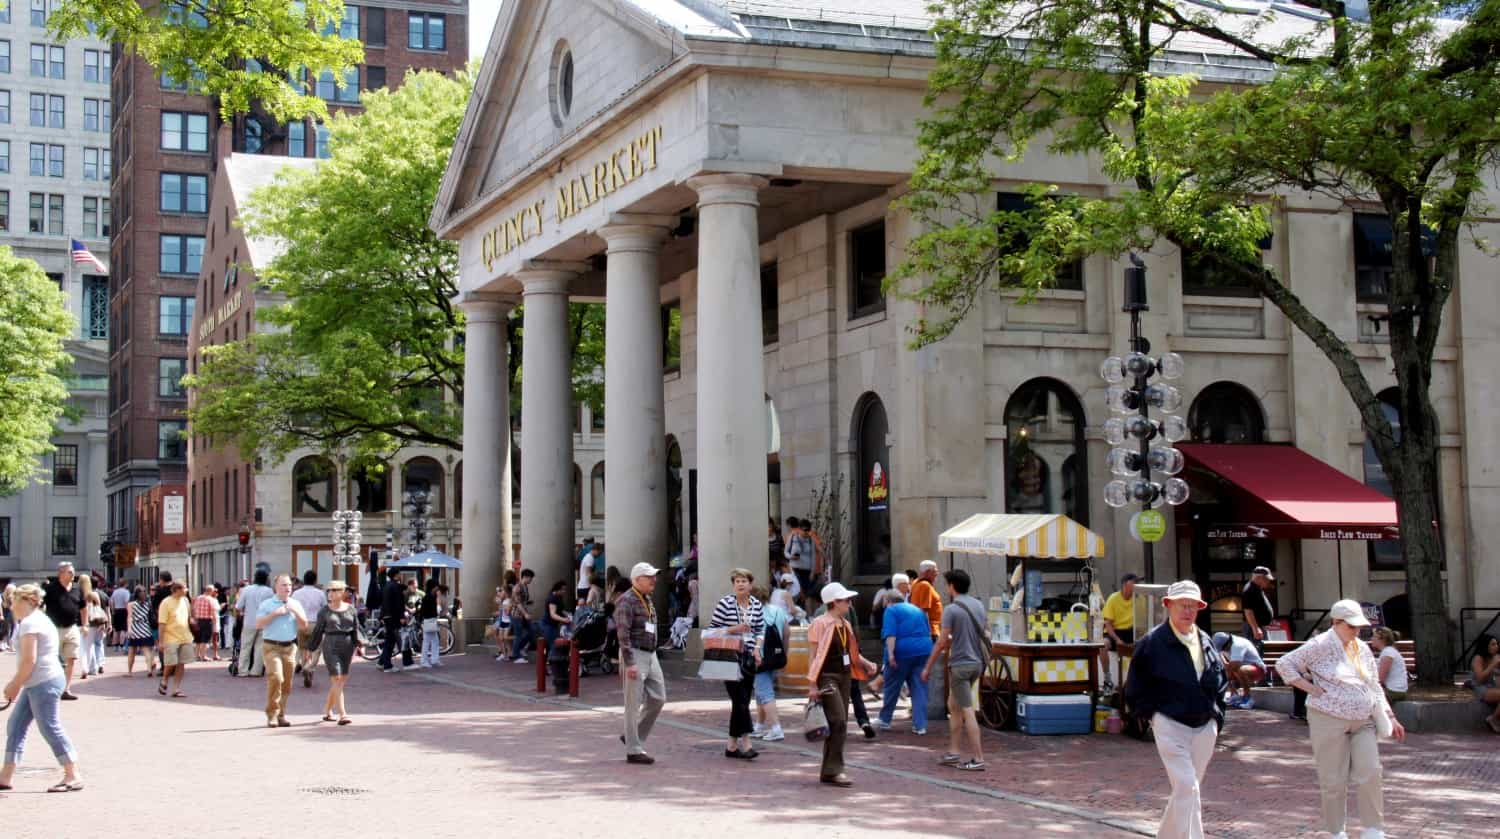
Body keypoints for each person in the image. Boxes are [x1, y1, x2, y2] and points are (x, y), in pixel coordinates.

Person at [1276, 599, 1406, 839]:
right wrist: (1310, 688)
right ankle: (1337, 832)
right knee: (1333, 779)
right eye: (1351, 626)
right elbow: (1285, 664)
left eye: (1359, 627)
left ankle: (1373, 830)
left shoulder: (1362, 647)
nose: (1357, 631)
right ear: (1336, 623)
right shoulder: (1319, 643)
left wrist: (1389, 715)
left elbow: (1374, 683)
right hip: (1328, 718)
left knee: (1371, 772)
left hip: (1363, 718)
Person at [1124, 580, 1228, 839]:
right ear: (1168, 605)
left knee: (1188, 790)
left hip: (1204, 725)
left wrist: (1217, 716)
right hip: (1170, 722)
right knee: (1186, 786)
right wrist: (1151, 715)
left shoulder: (1205, 640)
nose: (1188, 611)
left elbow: (1220, 679)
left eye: (1193, 606)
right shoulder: (1152, 642)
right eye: (1183, 605)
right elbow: (1135, 685)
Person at [0, 584, 83, 793]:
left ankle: (72, 774)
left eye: (13, 602)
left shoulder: (30, 623)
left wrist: (14, 685)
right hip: (39, 680)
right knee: (16, 725)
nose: (11, 607)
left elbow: (29, 660)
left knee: (49, 726)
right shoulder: (38, 620)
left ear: (25, 601)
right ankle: (6, 776)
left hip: (42, 681)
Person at [806, 582, 871, 788]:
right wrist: (812, 685)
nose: (849, 604)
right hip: (827, 677)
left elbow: (851, 652)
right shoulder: (820, 623)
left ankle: (830, 770)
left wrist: (866, 663)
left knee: (838, 724)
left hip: (844, 676)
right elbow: (814, 655)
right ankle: (835, 770)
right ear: (834, 602)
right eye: (846, 600)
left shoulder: (845, 624)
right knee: (838, 721)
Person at [921, 569, 987, 771]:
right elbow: (985, 632)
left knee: (966, 709)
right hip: (977, 662)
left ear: (952, 586)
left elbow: (941, 642)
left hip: (960, 665)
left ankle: (978, 758)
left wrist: (928, 667)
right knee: (954, 705)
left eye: (947, 585)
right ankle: (954, 752)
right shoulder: (978, 605)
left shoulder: (951, 610)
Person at [709, 569, 765, 760]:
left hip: (748, 657)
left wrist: (757, 649)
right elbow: (712, 631)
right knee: (740, 700)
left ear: (750, 584)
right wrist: (735, 628)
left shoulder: (757, 605)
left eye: (744, 581)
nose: (740, 584)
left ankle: (731, 746)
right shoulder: (725, 604)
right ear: (733, 585)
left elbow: (760, 630)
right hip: (728, 656)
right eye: (737, 581)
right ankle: (747, 743)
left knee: (741, 701)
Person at [618, 562, 665, 765]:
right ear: (637, 580)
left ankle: (632, 734)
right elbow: (622, 633)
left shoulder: (646, 598)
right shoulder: (626, 600)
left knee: (658, 698)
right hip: (635, 654)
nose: (654, 579)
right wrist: (630, 663)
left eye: (654, 575)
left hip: (650, 653)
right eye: (649, 576)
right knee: (633, 703)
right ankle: (633, 749)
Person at [307, 580, 367, 725]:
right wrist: (310, 649)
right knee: (337, 678)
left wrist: (361, 644)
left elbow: (356, 628)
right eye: (329, 590)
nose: (330, 593)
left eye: (334, 590)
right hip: (330, 645)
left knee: (340, 681)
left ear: (342, 592)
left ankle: (327, 711)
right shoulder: (324, 611)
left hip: (347, 646)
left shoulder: (351, 609)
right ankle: (343, 714)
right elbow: (317, 631)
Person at [879, 574, 932, 734]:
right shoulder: (917, 610)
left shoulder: (891, 611)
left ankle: (885, 720)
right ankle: (920, 725)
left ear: (888, 602)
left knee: (892, 686)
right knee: (919, 688)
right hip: (923, 650)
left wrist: (891, 655)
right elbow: (927, 631)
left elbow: (890, 635)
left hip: (902, 652)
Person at [256, 574, 309, 727]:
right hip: (271, 646)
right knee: (276, 678)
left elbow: (304, 625)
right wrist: (275, 614)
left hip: (290, 647)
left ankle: (281, 714)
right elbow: (259, 624)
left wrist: (296, 612)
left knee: (286, 684)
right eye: (284, 585)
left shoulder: (295, 603)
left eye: (289, 585)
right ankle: (271, 714)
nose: (287, 588)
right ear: (276, 587)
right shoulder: (267, 604)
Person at [41, 562, 86, 700]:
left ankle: (65, 689)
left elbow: (83, 608)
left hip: (72, 627)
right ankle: (51, 687)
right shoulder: (50, 589)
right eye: (70, 572)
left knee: (71, 659)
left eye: (73, 572)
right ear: (60, 573)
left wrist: (85, 624)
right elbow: (40, 605)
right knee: (53, 660)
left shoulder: (78, 590)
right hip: (54, 628)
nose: (73, 574)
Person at [750, 584, 788, 742]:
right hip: (775, 657)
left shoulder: (752, 614)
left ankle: (776, 728)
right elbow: (787, 633)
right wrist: (784, 654)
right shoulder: (777, 610)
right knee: (761, 693)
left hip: (759, 659)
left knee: (765, 694)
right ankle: (759, 726)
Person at [156, 581, 194, 698]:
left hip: (185, 636)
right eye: (184, 588)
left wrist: (192, 622)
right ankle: (164, 680)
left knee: (181, 663)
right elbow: (162, 623)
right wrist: (161, 641)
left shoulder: (185, 601)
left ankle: (176, 688)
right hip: (171, 637)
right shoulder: (166, 603)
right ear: (177, 590)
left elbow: (188, 616)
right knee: (171, 662)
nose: (186, 590)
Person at [1100, 573, 1139, 685]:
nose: (1132, 590)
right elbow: (1108, 625)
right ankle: (1107, 678)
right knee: (1103, 645)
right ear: (1124, 586)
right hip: (1115, 631)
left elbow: (1143, 620)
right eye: (1131, 587)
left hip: (1132, 631)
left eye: (1135, 587)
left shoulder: (1139, 598)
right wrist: (1117, 640)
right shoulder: (1113, 599)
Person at [1211, 632, 1266, 709]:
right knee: (1224, 670)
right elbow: (1221, 657)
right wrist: (1223, 666)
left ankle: (1247, 698)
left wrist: (1223, 675)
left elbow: (1235, 665)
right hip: (1238, 669)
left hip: (1257, 670)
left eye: (1224, 648)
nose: (1224, 650)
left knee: (1239, 670)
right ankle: (1235, 695)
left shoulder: (1238, 644)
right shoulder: (1225, 644)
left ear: (1228, 643)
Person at [235, 570, 274, 677]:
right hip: (264, 622)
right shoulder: (269, 591)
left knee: (245, 646)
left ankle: (243, 670)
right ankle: (256, 670)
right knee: (260, 647)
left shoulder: (247, 590)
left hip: (249, 621)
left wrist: (240, 616)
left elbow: (238, 606)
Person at [292, 569, 326, 687]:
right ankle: (309, 668)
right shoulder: (320, 593)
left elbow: (292, 608)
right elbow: (324, 609)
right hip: (315, 623)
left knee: (302, 648)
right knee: (316, 649)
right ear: (315, 580)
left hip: (301, 623)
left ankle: (304, 665)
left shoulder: (296, 593)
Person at [379, 568, 411, 673]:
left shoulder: (387, 586)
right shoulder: (395, 587)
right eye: (399, 574)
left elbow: (384, 603)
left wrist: (382, 616)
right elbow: (398, 604)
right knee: (396, 640)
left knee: (390, 640)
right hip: (394, 617)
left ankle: (382, 662)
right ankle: (389, 665)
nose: (401, 575)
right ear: (396, 575)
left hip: (387, 616)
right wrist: (401, 617)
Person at [1468, 633, 1500, 733]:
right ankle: (1493, 719)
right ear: (1485, 646)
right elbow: (1480, 679)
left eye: (1497, 644)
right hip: (1481, 688)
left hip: (1493, 687)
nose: (1496, 647)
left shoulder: (1495, 657)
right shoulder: (1478, 658)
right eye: (1493, 644)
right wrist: (1493, 664)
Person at [1369, 628, 1407, 704]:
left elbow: (1380, 679)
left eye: (1374, 636)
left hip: (1394, 692)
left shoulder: (1388, 653)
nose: (1371, 638)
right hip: (1394, 691)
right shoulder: (1388, 651)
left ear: (1382, 639)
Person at [124, 586, 155, 676]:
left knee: (131, 652)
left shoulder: (131, 605)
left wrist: (129, 628)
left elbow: (129, 617)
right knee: (146, 651)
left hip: (135, 629)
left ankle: (130, 672)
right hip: (145, 628)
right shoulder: (148, 604)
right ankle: (149, 669)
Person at [910, 560, 944, 639]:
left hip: (921, 628)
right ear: (928, 572)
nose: (937, 574)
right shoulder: (925, 585)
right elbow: (924, 610)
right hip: (930, 630)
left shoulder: (915, 582)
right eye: (935, 571)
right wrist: (927, 633)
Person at [508, 569, 537, 664]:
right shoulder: (517, 587)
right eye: (531, 578)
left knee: (532, 630)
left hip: (523, 614)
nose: (531, 580)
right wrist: (525, 614)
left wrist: (528, 602)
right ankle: (515, 655)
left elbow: (523, 601)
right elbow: (518, 603)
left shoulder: (525, 587)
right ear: (526, 577)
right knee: (518, 634)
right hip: (517, 615)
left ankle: (518, 649)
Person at [1241, 566, 1276, 642]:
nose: (1268, 581)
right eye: (1266, 579)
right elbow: (1248, 611)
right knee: (1257, 651)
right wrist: (1255, 628)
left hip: (1259, 626)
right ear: (1259, 578)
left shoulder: (1257, 588)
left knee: (1265, 650)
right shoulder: (1249, 589)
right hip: (1253, 628)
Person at [783, 516, 814, 597]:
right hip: (795, 568)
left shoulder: (810, 540)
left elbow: (813, 556)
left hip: (807, 570)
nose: (806, 532)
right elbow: (785, 552)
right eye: (805, 530)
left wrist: (812, 571)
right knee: (798, 590)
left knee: (806, 591)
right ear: (800, 529)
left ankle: (802, 607)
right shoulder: (793, 537)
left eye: (808, 530)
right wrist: (791, 557)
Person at [81, 591, 109, 678]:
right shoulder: (97, 595)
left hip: (88, 625)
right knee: (98, 644)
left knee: (87, 647)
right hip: (96, 624)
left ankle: (91, 667)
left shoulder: (84, 596)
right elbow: (102, 610)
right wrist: (104, 624)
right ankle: (99, 664)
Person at [418, 579, 444, 668]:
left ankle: (434, 659)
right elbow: (436, 611)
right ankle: (425, 660)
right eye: (436, 586)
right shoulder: (430, 597)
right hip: (429, 620)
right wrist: (439, 601)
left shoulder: (429, 596)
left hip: (429, 621)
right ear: (433, 587)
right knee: (427, 641)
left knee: (434, 640)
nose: (438, 588)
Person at [191, 585, 219, 664]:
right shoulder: (211, 599)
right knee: (205, 639)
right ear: (210, 591)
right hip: (207, 620)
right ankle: (203, 655)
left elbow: (193, 609)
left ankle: (196, 656)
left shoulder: (198, 598)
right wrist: (214, 623)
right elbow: (213, 612)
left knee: (198, 639)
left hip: (198, 620)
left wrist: (194, 619)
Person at [109, 581, 131, 650]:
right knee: (123, 629)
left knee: (116, 629)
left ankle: (116, 646)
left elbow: (111, 601)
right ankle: (122, 645)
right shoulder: (126, 592)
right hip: (123, 610)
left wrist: (113, 610)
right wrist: (128, 611)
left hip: (116, 610)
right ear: (125, 584)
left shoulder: (115, 592)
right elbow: (126, 602)